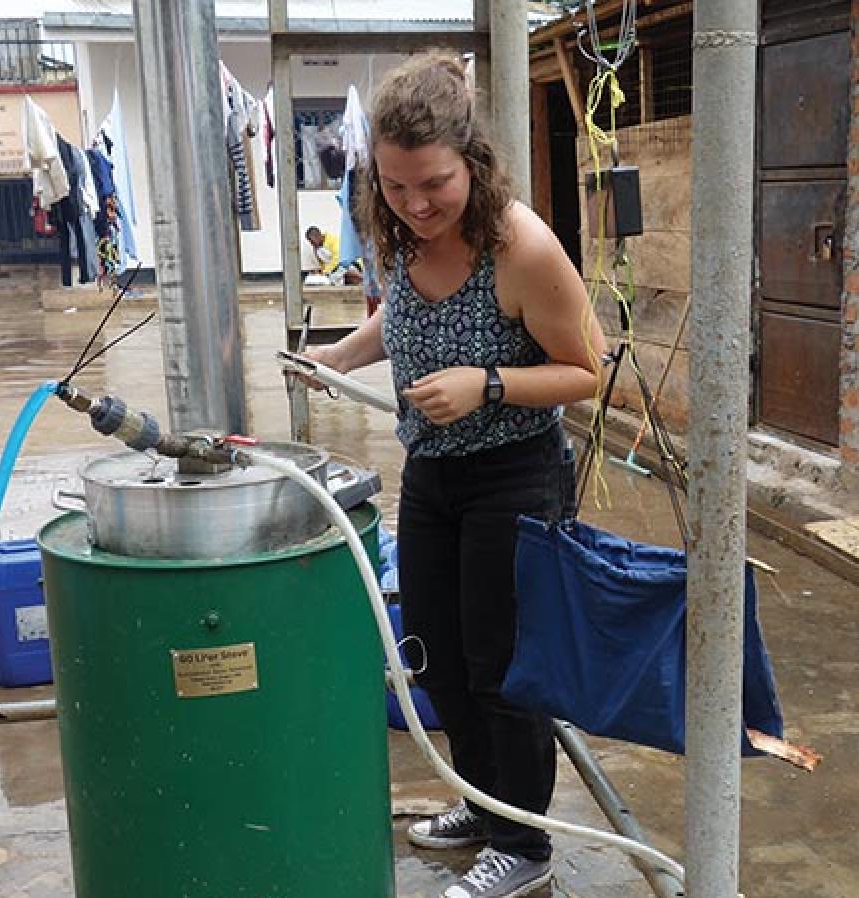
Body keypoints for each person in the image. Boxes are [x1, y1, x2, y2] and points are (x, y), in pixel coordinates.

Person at [302, 51, 606, 898]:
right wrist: (337, 354)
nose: (415, 203)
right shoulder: (402, 236)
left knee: (501, 668)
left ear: (470, 160)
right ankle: (483, 801)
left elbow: (588, 367)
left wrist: (490, 384)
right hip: (431, 474)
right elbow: (394, 322)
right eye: (396, 187)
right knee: (433, 654)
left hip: (514, 475)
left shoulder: (522, 247)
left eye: (432, 183)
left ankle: (527, 844)